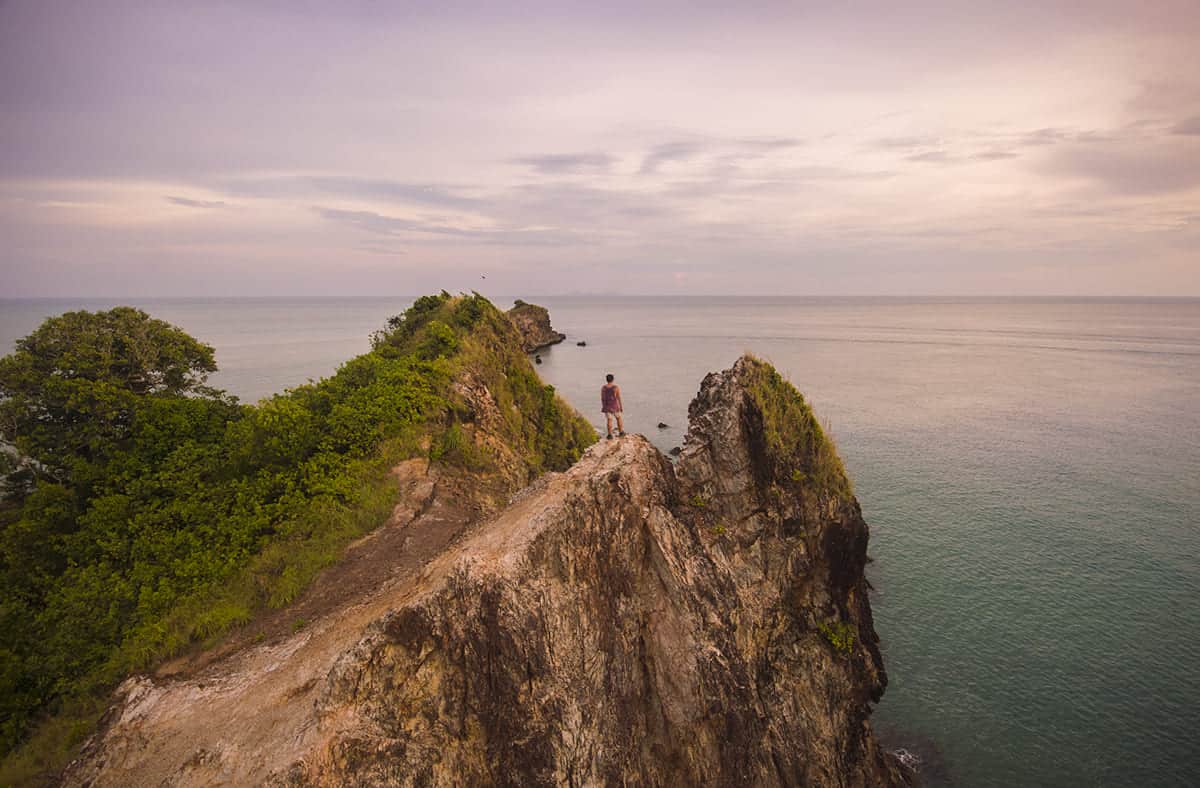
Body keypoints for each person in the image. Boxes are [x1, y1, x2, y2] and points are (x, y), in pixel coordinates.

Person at [601, 373, 625, 439]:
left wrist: (604, 406)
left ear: (606, 380)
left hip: (607, 406)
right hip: (615, 406)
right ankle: (621, 432)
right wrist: (621, 406)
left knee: (609, 420)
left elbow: (603, 398)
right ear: (613, 380)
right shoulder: (616, 388)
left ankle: (609, 435)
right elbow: (618, 398)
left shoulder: (603, 388)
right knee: (619, 418)